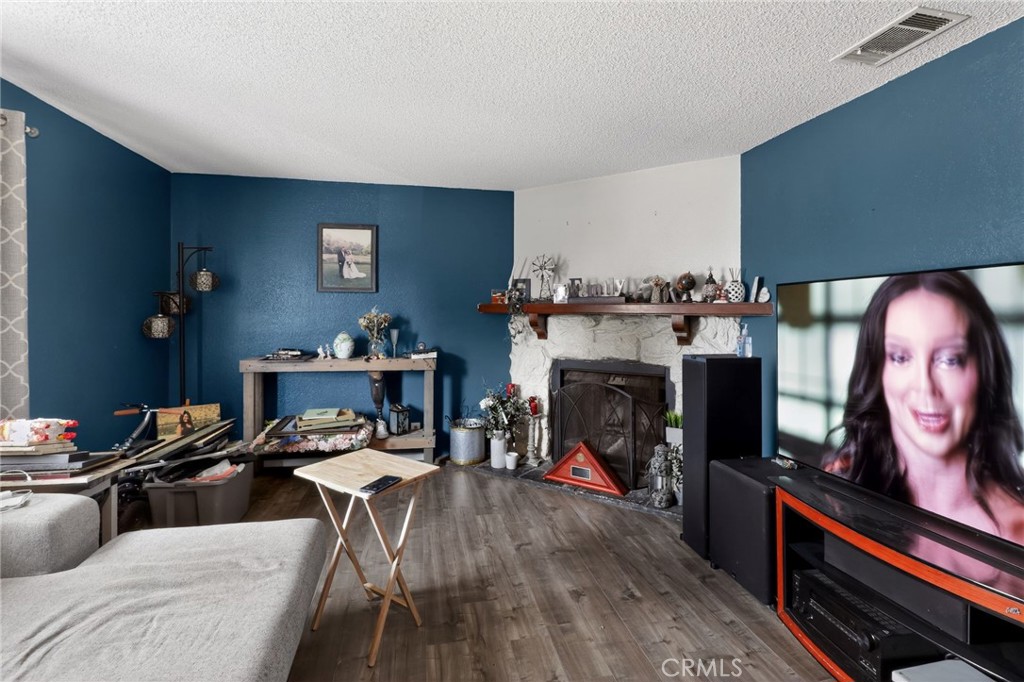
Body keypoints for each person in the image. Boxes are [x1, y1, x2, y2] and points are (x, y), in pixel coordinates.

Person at [825, 271, 1024, 546]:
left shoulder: (1018, 534)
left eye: (951, 359)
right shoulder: (838, 486)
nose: (925, 387)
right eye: (900, 357)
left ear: (985, 371)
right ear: (877, 371)